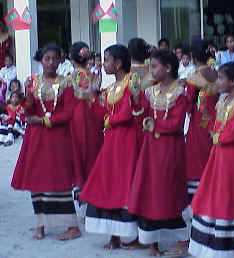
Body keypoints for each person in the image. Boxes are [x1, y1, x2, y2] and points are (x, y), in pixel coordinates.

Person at [11, 43, 81, 241]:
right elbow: (29, 110)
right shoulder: (33, 83)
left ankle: (72, 226)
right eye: (46, 58)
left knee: (60, 181)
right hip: (36, 138)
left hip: (58, 138)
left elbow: (69, 112)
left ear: (60, 60)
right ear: (40, 61)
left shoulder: (67, 83)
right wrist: (24, 99)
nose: (50, 62)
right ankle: (40, 224)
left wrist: (45, 120)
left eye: (54, 58)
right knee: (37, 181)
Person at [80, 44, 141, 250]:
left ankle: (130, 235)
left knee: (124, 182)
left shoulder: (131, 82)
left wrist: (108, 119)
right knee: (110, 181)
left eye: (107, 60)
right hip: (113, 140)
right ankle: (115, 235)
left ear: (119, 63)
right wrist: (92, 99)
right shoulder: (112, 87)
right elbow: (103, 115)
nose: (103, 64)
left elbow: (126, 115)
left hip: (127, 140)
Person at [128, 50, 189, 257]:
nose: (151, 70)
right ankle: (151, 242)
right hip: (150, 150)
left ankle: (182, 238)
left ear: (169, 68)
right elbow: (141, 117)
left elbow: (176, 123)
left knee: (169, 191)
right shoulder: (150, 92)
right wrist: (136, 99)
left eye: (154, 66)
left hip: (170, 149)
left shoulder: (180, 93)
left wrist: (155, 125)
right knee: (149, 190)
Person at [189, 62, 234, 258]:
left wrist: (216, 135)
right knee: (214, 193)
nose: (218, 81)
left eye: (221, 78)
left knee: (228, 194)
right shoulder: (222, 101)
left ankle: (229, 246)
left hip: (233, 156)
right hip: (219, 155)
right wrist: (207, 118)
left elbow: (233, 133)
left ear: (233, 81)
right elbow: (216, 126)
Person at [185, 39, 218, 201]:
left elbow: (188, 101)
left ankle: (199, 196)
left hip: (199, 119)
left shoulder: (194, 77)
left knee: (197, 156)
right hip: (215, 118)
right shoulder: (216, 73)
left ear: (192, 57)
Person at [69, 41, 104, 192]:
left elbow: (76, 95)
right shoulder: (94, 75)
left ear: (72, 58)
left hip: (77, 112)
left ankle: (82, 181)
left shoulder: (73, 76)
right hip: (93, 111)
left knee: (80, 146)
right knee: (93, 143)